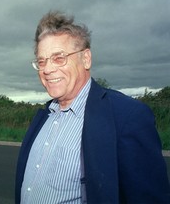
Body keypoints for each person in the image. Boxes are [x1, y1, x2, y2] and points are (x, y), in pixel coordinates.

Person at [15, 11, 170, 204]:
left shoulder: (126, 117)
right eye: (41, 61)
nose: (47, 69)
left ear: (86, 58)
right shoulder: (43, 116)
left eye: (59, 58)